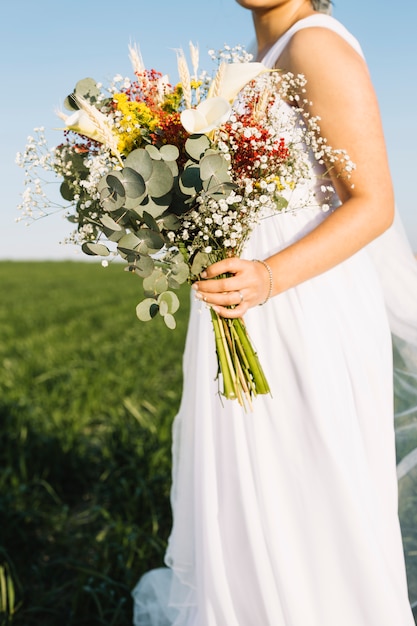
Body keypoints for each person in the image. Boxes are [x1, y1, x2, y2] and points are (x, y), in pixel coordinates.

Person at [133, 1, 417, 624]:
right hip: (250, 302)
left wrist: (268, 277)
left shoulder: (315, 43)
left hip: (305, 307)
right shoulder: (263, 57)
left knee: (311, 496)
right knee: (254, 497)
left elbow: (374, 203)